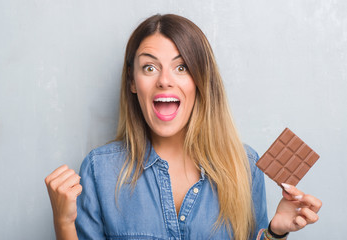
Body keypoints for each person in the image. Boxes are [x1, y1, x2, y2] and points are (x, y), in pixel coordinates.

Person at [45, 14, 322, 240]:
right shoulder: (99, 170)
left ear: (200, 80)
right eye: (149, 68)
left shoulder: (245, 166)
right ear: (132, 82)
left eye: (181, 68)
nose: (165, 80)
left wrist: (276, 232)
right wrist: (64, 223)